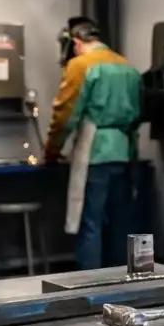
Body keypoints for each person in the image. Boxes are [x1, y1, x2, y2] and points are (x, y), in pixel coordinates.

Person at [45, 17, 142, 270]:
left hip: (94, 151)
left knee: (90, 222)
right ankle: (122, 279)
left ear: (76, 43)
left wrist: (52, 151)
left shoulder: (81, 65)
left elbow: (65, 115)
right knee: (121, 224)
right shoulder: (128, 67)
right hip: (124, 151)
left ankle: (90, 287)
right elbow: (139, 111)